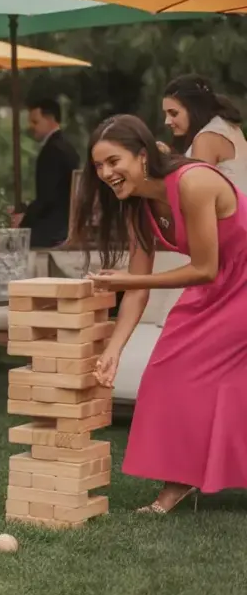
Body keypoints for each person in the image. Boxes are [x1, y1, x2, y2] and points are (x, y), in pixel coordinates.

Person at [74, 113, 247, 514]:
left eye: (113, 162)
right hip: (217, 284)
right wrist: (114, 348)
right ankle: (182, 477)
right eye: (98, 166)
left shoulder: (194, 182)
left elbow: (203, 266)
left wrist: (126, 282)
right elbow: (137, 285)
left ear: (143, 156)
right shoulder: (138, 206)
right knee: (166, 371)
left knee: (213, 377)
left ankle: (182, 482)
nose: (105, 173)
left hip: (233, 278)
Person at [162, 74, 247, 193]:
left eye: (173, 113)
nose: (167, 121)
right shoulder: (223, 125)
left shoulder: (207, 138)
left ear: (194, 109)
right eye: (166, 114)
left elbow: (193, 193)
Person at [18, 98, 81, 247]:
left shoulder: (52, 150)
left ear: (50, 119)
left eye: (35, 122)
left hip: (52, 230)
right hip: (65, 226)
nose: (31, 126)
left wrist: (23, 221)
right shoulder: (67, 147)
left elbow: (47, 197)